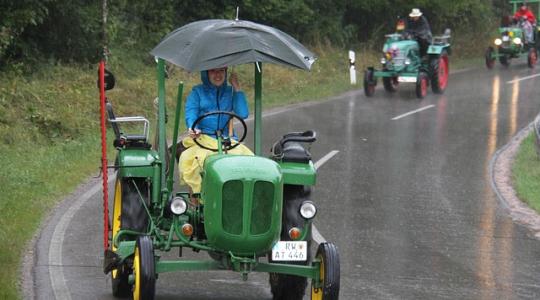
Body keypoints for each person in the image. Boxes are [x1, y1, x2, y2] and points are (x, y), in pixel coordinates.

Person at [179, 67, 253, 201]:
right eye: (213, 71)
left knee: (247, 161)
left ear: (226, 72)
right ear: (206, 73)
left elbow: (243, 114)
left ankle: (239, 200)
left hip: (227, 139)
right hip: (203, 138)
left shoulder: (230, 92)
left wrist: (237, 88)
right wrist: (193, 127)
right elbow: (191, 112)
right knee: (194, 162)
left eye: (221, 71)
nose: (218, 75)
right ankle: (197, 201)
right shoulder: (197, 92)